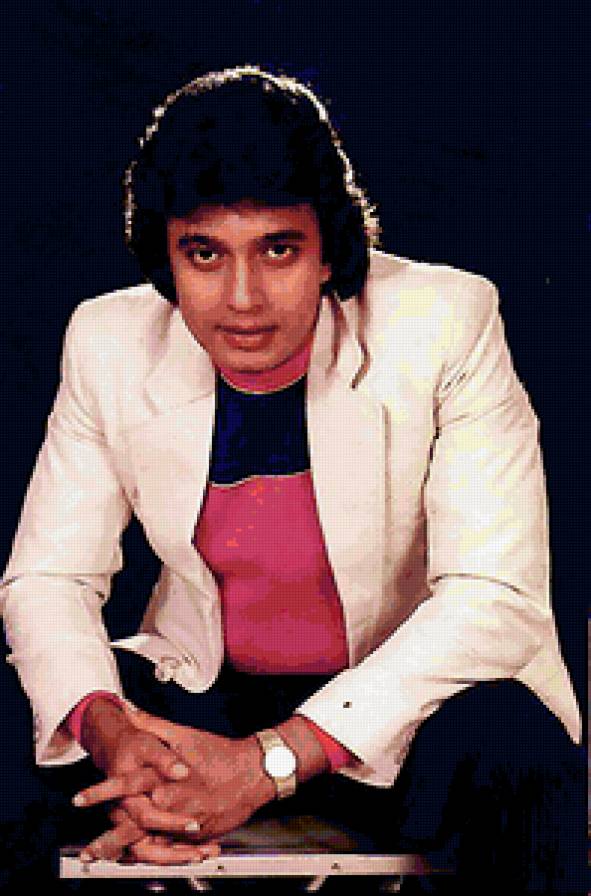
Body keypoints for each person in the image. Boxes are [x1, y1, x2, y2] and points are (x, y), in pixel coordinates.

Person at [0, 65, 585, 893]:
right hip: (205, 700)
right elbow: (49, 578)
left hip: (394, 708)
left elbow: (494, 599)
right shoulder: (108, 340)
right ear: (165, 256)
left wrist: (267, 764)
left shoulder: (444, 321)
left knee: (513, 747)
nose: (242, 299)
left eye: (278, 249)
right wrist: (113, 739)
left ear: (328, 249)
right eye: (204, 253)